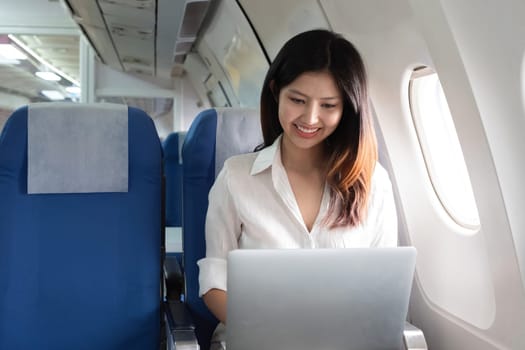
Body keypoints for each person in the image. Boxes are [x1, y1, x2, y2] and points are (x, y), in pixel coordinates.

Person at [197, 29, 398, 349]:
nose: (311, 118)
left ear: (347, 108)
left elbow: (385, 289)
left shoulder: (373, 183)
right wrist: (273, 333)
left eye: (329, 105)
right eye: (297, 100)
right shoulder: (237, 179)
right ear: (276, 92)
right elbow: (214, 284)